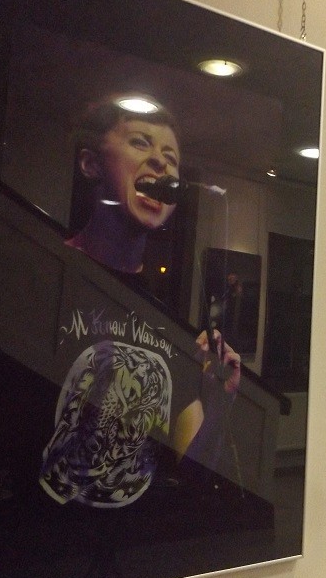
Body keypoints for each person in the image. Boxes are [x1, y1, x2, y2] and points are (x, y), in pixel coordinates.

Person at [40, 93, 241, 507]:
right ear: (91, 164)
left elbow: (188, 473)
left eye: (171, 157)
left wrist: (219, 400)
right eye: (140, 142)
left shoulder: (164, 314)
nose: (161, 164)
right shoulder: (47, 272)